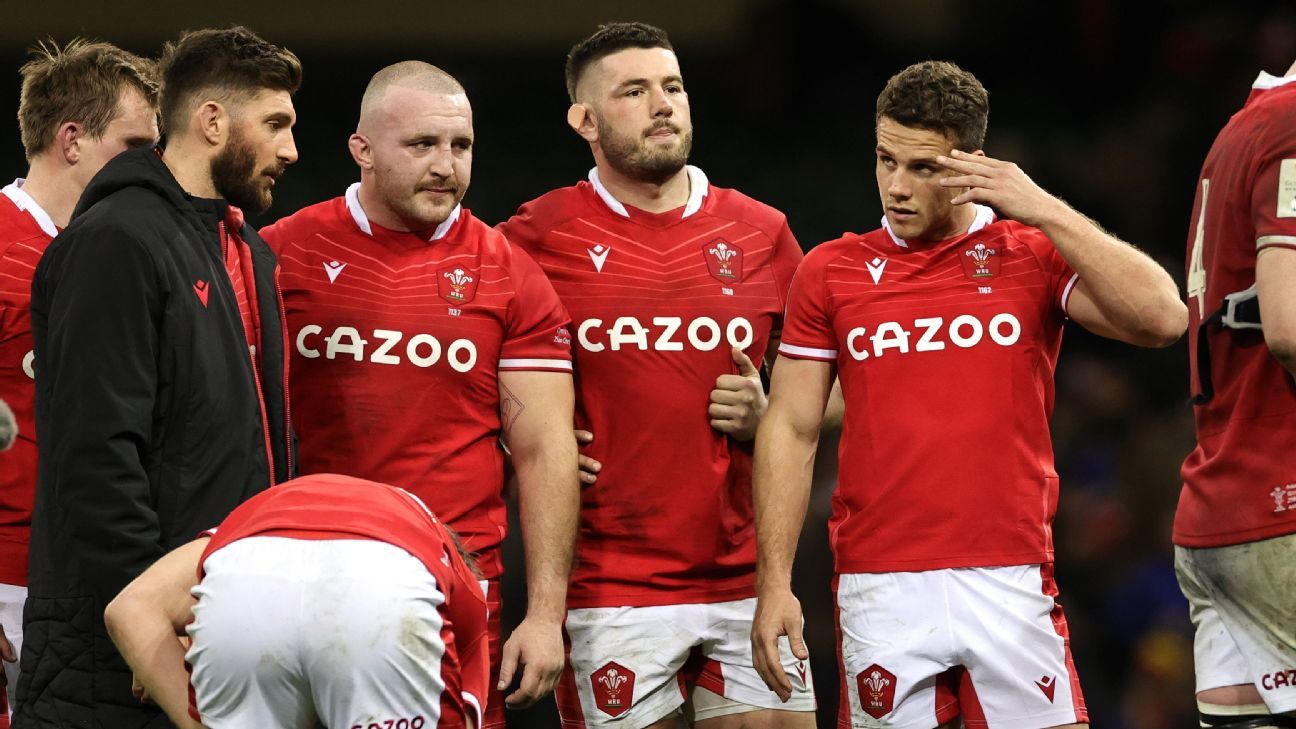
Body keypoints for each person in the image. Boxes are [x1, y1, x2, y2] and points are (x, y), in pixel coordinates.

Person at [751, 60, 1188, 729]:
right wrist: (774, 583)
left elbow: (1164, 318)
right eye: (886, 159)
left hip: (1011, 573)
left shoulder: (1029, 253)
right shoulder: (830, 271)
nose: (896, 186)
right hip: (879, 583)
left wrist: (1040, 205)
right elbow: (791, 427)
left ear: (972, 167)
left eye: (923, 167)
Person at [497, 22, 815, 729]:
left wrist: (772, 411)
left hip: (749, 579)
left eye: (673, 87)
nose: (663, 105)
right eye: (634, 92)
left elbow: (845, 386)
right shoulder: (534, 236)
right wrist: (520, 437)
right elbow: (468, 370)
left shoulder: (761, 231)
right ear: (585, 121)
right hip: (609, 584)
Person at [258, 62, 578, 725]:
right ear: (362, 149)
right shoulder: (281, 255)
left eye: (460, 146)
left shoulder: (509, 273)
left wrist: (546, 615)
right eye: (422, 144)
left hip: (454, 579)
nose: (445, 165)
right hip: (299, 568)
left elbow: (546, 449)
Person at [17, 26, 299, 728]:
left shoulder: (249, 252)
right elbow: (96, 457)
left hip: (219, 621)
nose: (291, 149)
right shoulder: (114, 241)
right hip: (114, 647)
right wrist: (152, 620)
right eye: (275, 124)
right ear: (212, 122)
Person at [0, 38, 159, 721]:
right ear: (72, 139)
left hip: (97, 580)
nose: (152, 165)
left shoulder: (124, 252)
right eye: (135, 145)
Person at [104, 473, 490, 729]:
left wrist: (200, 716)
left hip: (244, 596)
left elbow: (130, 609)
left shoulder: (248, 523)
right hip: (384, 593)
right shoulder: (449, 564)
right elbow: (468, 685)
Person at [1175, 60, 1296, 729]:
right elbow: (1289, 326)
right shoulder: (1293, 126)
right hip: (1283, 509)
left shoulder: (1243, 129)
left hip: (1224, 512)